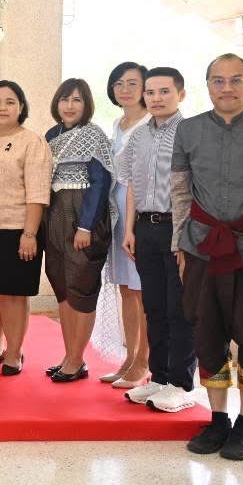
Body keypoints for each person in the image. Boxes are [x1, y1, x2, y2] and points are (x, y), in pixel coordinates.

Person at [172, 54, 243, 450]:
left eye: (235, 79)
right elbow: (180, 192)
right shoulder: (187, 130)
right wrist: (180, 244)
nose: (227, 87)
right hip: (203, 247)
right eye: (218, 80)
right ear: (207, 86)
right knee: (207, 333)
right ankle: (217, 420)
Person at [121, 67, 195, 409]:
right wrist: (129, 230)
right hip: (146, 229)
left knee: (179, 307)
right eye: (150, 92)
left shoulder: (191, 132)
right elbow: (133, 184)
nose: (156, 98)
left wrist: (186, 238)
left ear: (180, 93)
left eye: (164, 91)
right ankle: (159, 377)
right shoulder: (138, 136)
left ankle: (181, 383)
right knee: (154, 306)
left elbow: (195, 189)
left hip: (178, 229)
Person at [0, 80, 51, 376]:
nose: (2, 107)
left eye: (9, 101)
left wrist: (29, 234)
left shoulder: (32, 141)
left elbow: (38, 193)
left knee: (12, 295)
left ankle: (14, 352)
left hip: (18, 230)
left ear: (20, 106)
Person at [41, 79, 114, 383]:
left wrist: (85, 225)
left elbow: (100, 182)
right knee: (62, 288)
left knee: (82, 289)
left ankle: (77, 359)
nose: (69, 106)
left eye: (77, 100)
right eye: (64, 100)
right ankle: (69, 355)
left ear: (87, 105)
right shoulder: (51, 135)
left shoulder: (94, 135)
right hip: (54, 215)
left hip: (84, 216)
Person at [99, 61, 151, 388]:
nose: (125, 89)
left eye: (133, 83)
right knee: (124, 289)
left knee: (141, 290)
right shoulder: (118, 123)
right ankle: (128, 356)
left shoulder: (149, 124)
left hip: (140, 215)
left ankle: (144, 361)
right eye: (119, 83)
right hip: (116, 213)